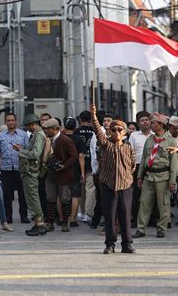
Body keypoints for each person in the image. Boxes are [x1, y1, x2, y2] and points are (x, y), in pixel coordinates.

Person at [90, 104, 136, 254]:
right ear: (109, 132)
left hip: (125, 185)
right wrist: (94, 116)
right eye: (113, 130)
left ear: (124, 133)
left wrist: (126, 176)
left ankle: (127, 244)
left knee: (125, 216)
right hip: (108, 184)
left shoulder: (128, 147)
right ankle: (110, 244)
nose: (116, 132)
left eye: (119, 130)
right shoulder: (106, 144)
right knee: (109, 215)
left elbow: (133, 164)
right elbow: (98, 131)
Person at [133, 112, 176, 239]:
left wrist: (172, 181)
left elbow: (174, 163)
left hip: (163, 176)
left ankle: (161, 228)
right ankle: (141, 229)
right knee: (144, 203)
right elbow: (144, 160)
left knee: (163, 204)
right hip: (148, 176)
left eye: (153, 123)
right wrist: (140, 177)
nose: (151, 125)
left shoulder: (170, 141)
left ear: (161, 124)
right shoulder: (149, 140)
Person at [42, 118, 78, 233]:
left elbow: (74, 156)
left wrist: (64, 165)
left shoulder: (65, 140)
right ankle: (50, 223)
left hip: (63, 174)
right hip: (51, 173)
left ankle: (65, 223)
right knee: (50, 198)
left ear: (54, 129)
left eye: (47, 129)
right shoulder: (48, 140)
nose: (46, 131)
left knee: (65, 198)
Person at [0, 112, 29, 224]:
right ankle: (8, 217)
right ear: (5, 122)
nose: (10, 122)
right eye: (8, 120)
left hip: (20, 168)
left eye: (12, 120)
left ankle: (24, 216)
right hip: (6, 168)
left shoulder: (23, 135)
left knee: (22, 194)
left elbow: (28, 151)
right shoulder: (0, 136)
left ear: (16, 121)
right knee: (7, 195)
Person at [15, 114, 47, 236]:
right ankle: (38, 223)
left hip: (31, 171)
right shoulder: (36, 135)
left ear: (33, 124)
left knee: (33, 197)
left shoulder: (39, 136)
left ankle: (40, 224)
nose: (27, 128)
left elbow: (35, 154)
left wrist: (20, 152)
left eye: (28, 126)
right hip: (29, 170)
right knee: (31, 197)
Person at [128, 111, 152, 227]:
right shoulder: (134, 136)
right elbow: (130, 151)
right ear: (138, 123)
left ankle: (152, 218)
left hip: (152, 166)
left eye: (146, 120)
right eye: (142, 120)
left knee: (151, 193)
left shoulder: (154, 134)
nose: (145, 122)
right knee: (137, 194)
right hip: (137, 166)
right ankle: (135, 218)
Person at [62, 117, 86, 227]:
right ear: (75, 126)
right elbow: (81, 156)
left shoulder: (60, 138)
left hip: (62, 169)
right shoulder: (78, 139)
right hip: (75, 169)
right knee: (75, 195)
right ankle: (72, 219)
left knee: (61, 194)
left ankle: (62, 218)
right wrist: (82, 172)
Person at [75, 110, 98, 223]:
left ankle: (82, 211)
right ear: (90, 120)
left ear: (80, 120)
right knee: (90, 188)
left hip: (78, 164)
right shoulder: (94, 131)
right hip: (91, 162)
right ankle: (88, 213)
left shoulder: (76, 132)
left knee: (81, 189)